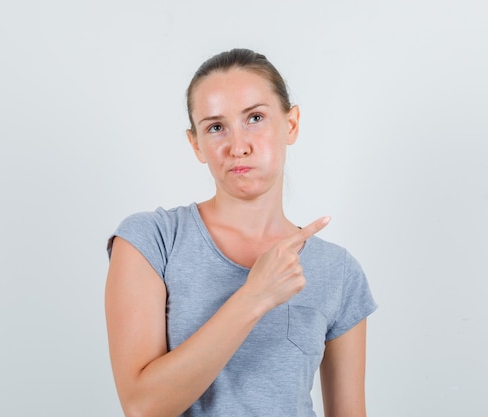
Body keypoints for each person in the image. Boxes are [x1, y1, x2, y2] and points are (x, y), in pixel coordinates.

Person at [105, 48, 377, 417]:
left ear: (291, 124)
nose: (238, 147)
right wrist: (254, 297)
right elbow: (142, 406)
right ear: (196, 143)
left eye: (255, 118)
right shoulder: (151, 241)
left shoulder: (338, 270)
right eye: (215, 127)